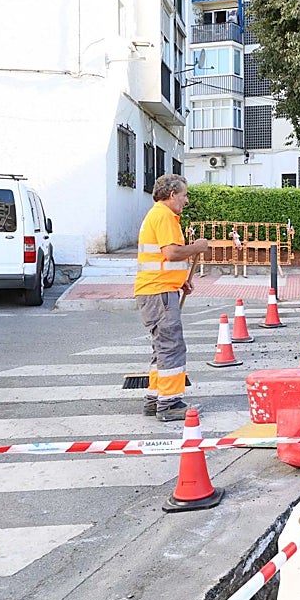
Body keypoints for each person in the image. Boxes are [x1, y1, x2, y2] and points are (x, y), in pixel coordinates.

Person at [134, 175, 209, 422]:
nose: (186, 201)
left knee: (162, 348)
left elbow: (162, 258)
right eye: (184, 195)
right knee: (171, 346)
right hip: (159, 293)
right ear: (172, 194)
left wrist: (179, 280)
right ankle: (169, 404)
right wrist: (197, 247)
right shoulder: (164, 216)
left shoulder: (158, 215)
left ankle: (155, 399)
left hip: (158, 290)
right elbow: (172, 252)